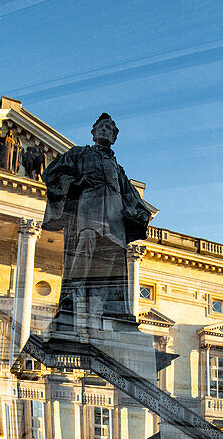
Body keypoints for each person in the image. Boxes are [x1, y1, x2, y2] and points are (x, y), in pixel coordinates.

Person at [41, 113, 151, 325]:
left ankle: (113, 309)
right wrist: (75, 182)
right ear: (93, 132)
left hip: (113, 215)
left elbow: (132, 196)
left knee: (112, 256)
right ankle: (72, 295)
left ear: (114, 137)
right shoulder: (79, 154)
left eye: (109, 128)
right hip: (89, 208)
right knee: (87, 240)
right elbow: (52, 174)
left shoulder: (117, 168)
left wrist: (140, 213)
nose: (104, 130)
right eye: (101, 127)